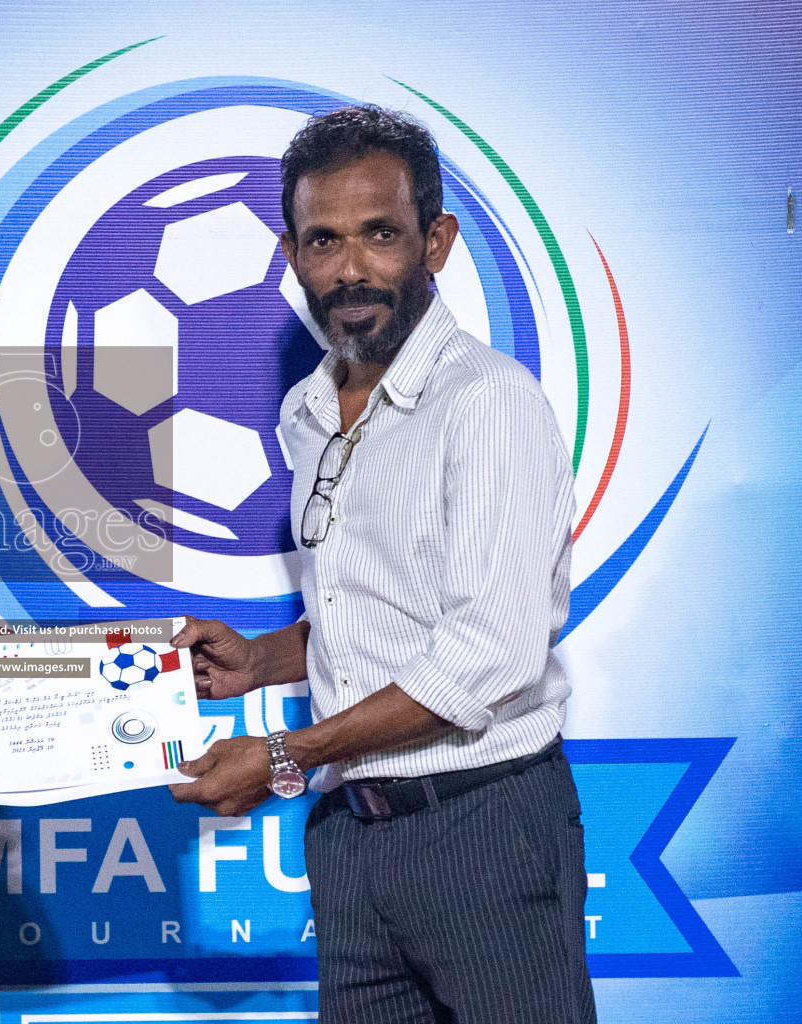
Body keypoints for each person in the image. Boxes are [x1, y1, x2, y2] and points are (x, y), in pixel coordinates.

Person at [169, 106, 595, 1024]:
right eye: (324, 240)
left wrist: (284, 754)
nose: (351, 267)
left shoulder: (488, 405)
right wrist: (262, 660)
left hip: (482, 827)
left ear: (434, 242)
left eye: (380, 235)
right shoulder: (306, 411)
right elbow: (378, 611)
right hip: (354, 842)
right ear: (292, 254)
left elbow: (489, 650)